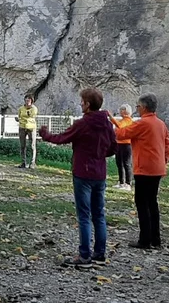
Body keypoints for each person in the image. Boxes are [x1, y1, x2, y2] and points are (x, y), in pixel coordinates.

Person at [39, 88, 116, 267]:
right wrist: (99, 154)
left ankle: (84, 256)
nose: (80, 104)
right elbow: (113, 147)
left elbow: (62, 138)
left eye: (82, 101)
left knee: (84, 215)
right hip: (100, 173)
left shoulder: (83, 123)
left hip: (83, 172)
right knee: (99, 215)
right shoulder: (107, 124)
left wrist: (45, 134)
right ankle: (99, 254)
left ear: (88, 104)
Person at [113, 93, 169, 249]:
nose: (137, 108)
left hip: (144, 168)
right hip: (157, 168)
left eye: (138, 106)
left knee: (142, 203)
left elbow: (121, 133)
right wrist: (163, 161)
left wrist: (110, 125)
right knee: (152, 202)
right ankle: (156, 239)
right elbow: (167, 145)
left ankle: (145, 240)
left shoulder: (142, 123)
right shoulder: (160, 123)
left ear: (144, 107)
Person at [108, 104, 135, 190]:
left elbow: (119, 125)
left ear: (126, 111)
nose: (120, 111)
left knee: (126, 163)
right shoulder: (123, 120)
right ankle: (121, 181)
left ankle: (128, 183)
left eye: (122, 109)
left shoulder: (128, 120)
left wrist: (111, 117)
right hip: (119, 143)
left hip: (126, 144)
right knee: (119, 163)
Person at [15, 94, 38, 169]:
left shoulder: (34, 109)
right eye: (26, 100)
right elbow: (19, 116)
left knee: (32, 145)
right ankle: (23, 162)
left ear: (31, 101)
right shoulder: (21, 108)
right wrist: (18, 119)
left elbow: (30, 117)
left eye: (28, 100)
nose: (27, 102)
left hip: (31, 128)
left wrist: (21, 119)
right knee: (22, 146)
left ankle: (32, 163)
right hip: (22, 127)